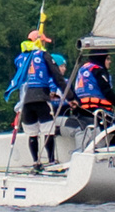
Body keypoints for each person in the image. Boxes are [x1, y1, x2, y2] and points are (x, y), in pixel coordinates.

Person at [6, 31, 68, 167]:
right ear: (39, 42)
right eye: (44, 41)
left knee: (32, 134)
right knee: (48, 131)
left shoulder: (20, 58)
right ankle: (51, 161)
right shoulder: (44, 55)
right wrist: (70, 96)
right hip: (41, 98)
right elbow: (57, 77)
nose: (45, 44)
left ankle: (35, 161)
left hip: (25, 101)